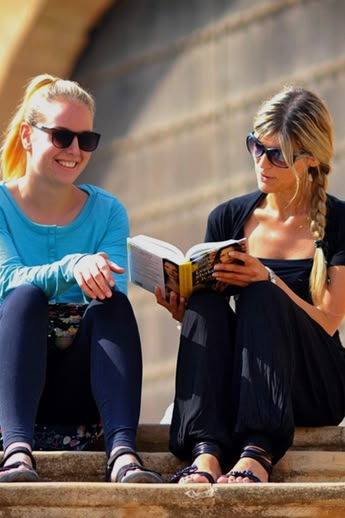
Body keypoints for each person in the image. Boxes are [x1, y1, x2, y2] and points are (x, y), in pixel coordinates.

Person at [155, 85, 345, 484]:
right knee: (205, 306)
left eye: (277, 154)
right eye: (256, 146)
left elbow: (328, 321)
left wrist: (270, 278)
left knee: (261, 291)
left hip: (312, 384)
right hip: (241, 386)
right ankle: (204, 450)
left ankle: (259, 450)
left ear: (310, 161)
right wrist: (183, 310)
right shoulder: (227, 218)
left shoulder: (340, 224)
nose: (262, 161)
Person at [0, 73, 162, 484]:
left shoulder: (108, 211)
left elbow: (110, 300)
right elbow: (7, 280)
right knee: (23, 299)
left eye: (86, 140)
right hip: (11, 385)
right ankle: (15, 451)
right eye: (61, 136)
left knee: (113, 304)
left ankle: (122, 453)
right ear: (27, 136)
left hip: (80, 395)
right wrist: (72, 265)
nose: (74, 150)